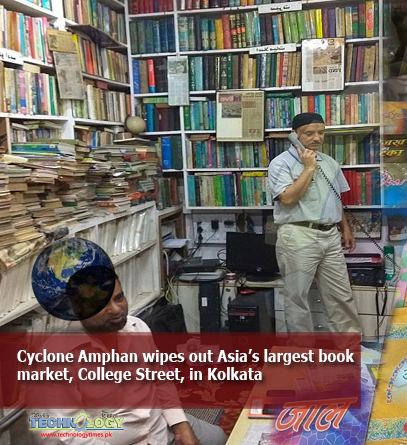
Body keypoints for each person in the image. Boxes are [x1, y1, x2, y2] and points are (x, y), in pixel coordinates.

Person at [31, 273, 229, 445]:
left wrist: (180, 424)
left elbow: (161, 380)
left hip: (158, 426)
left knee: (219, 438)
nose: (117, 310)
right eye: (102, 305)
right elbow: (61, 436)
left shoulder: (137, 328)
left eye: (119, 298)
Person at [267, 112, 362, 336]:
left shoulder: (329, 163)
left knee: (341, 295)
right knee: (297, 297)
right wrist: (308, 168)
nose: (317, 138)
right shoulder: (280, 164)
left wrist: (345, 228)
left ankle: (349, 351)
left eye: (321, 133)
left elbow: (337, 199)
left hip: (330, 235)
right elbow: (288, 199)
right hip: (298, 234)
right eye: (309, 133)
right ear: (295, 135)